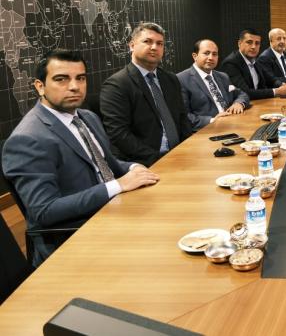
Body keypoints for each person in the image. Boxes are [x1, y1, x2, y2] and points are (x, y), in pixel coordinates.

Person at [2, 50, 159, 267]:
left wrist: (133, 168)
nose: (75, 86)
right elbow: (44, 210)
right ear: (40, 86)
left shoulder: (87, 117)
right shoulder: (27, 139)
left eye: (81, 78)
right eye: (61, 79)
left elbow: (107, 165)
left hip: (113, 214)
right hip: (76, 241)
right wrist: (118, 185)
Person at [101, 22, 192, 166]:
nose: (154, 47)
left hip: (179, 156)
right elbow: (119, 134)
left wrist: (187, 148)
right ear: (132, 46)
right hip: (145, 162)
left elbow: (182, 118)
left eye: (160, 43)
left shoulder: (170, 79)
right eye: (147, 41)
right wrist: (159, 159)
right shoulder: (117, 85)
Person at [178, 39, 251, 131]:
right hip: (206, 131)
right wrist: (212, 120)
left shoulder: (223, 76)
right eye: (206, 53)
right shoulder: (181, 79)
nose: (211, 57)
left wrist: (239, 103)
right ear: (195, 56)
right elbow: (184, 116)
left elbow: (242, 94)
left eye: (214, 54)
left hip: (232, 124)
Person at [220, 29, 286, 100]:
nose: (253, 47)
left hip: (260, 103)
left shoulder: (255, 60)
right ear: (239, 43)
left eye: (257, 43)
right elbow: (245, 92)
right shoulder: (231, 63)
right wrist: (277, 91)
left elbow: (271, 80)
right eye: (249, 42)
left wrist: (284, 86)